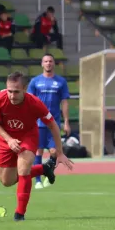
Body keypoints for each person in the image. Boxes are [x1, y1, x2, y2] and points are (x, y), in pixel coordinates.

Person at [0, 72, 74, 221]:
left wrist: (59, 152)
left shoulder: (34, 103)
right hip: (6, 140)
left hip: (27, 136)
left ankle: (19, 214)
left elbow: (53, 125)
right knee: (6, 181)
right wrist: (9, 140)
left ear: (25, 89)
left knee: (23, 169)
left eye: (16, 92)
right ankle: (44, 168)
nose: (12, 96)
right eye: (9, 91)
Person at [27, 53, 70, 189]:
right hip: (38, 124)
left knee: (53, 151)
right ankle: (38, 180)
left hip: (54, 123)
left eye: (50, 61)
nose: (48, 63)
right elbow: (29, 102)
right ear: (42, 64)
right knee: (38, 151)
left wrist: (66, 121)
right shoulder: (35, 81)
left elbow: (64, 102)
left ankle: (48, 174)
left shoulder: (61, 82)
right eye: (45, 61)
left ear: (54, 63)